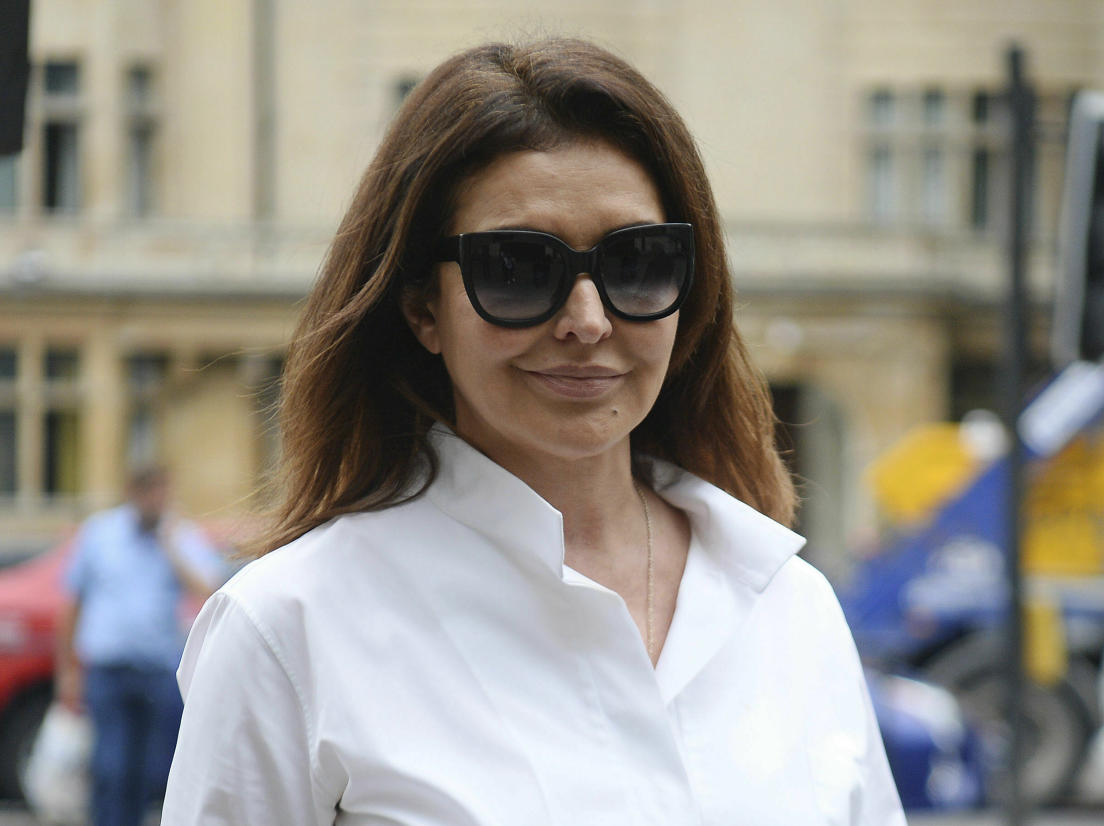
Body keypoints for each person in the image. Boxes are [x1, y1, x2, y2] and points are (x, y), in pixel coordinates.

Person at [161, 38, 906, 825]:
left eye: (638, 263)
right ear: (422, 308)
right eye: (517, 269)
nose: (586, 322)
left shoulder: (789, 608)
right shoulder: (291, 628)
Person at [56, 466, 225, 826]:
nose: (158, 500)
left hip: (158, 669)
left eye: (163, 491)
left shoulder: (179, 535)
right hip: (108, 668)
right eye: (151, 492)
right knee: (111, 766)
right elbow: (72, 602)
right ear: (132, 492)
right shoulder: (100, 533)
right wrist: (68, 671)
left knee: (155, 771)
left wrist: (170, 546)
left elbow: (209, 589)